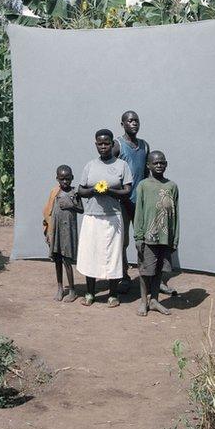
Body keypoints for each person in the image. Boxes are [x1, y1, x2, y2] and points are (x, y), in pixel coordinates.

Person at [76, 129, 133, 306]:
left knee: (113, 255)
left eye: (106, 143)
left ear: (112, 144)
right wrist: (93, 190)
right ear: (95, 144)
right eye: (100, 144)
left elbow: (127, 191)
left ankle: (113, 294)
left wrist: (110, 191)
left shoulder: (122, 166)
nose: (103, 146)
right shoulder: (90, 165)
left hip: (113, 217)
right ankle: (90, 293)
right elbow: (81, 190)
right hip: (92, 216)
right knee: (90, 253)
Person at [133, 150, 179, 316]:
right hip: (148, 236)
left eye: (162, 162)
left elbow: (176, 214)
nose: (159, 165)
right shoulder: (143, 185)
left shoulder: (172, 186)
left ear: (166, 164)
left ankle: (155, 300)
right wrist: (138, 236)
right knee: (146, 271)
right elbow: (139, 212)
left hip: (165, 237)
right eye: (155, 163)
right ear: (148, 165)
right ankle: (143, 300)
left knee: (159, 269)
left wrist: (175, 239)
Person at [113, 110, 148, 290]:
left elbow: (148, 175)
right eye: (130, 120)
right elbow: (109, 168)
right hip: (123, 203)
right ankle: (124, 276)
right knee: (123, 241)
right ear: (123, 124)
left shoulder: (144, 146)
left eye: (136, 120)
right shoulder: (117, 145)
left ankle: (146, 275)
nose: (134, 123)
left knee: (143, 240)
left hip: (141, 203)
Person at [42, 165, 81, 302]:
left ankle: (72, 290)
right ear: (57, 178)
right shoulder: (55, 192)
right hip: (56, 231)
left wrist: (71, 205)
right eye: (62, 179)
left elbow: (81, 209)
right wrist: (48, 232)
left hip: (68, 231)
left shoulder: (75, 193)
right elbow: (48, 212)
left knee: (67, 260)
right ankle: (60, 287)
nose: (65, 182)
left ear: (72, 178)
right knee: (57, 259)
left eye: (68, 179)